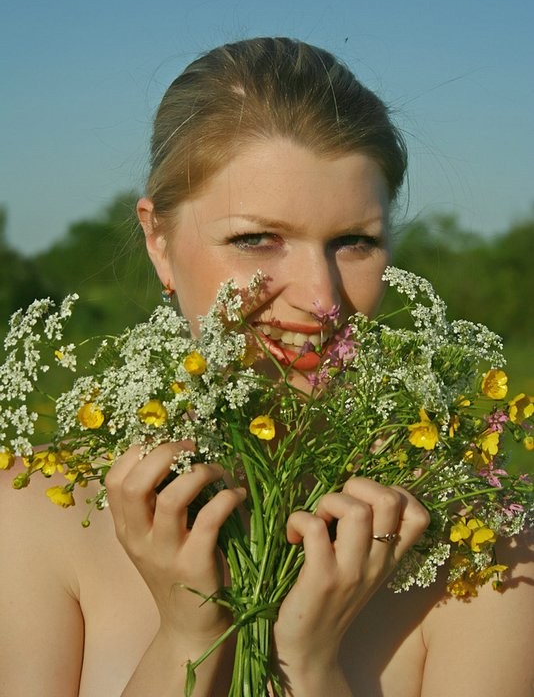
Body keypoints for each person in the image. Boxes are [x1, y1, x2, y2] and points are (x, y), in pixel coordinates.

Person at [1, 37, 532, 697]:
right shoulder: (32, 513)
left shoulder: (486, 548)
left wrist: (310, 667)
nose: (320, 300)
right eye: (256, 239)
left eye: (353, 242)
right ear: (158, 242)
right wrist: (186, 638)